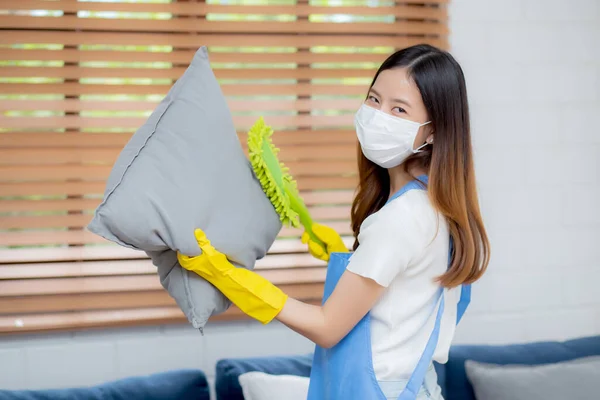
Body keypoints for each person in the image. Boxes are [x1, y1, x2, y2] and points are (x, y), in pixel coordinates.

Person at [177, 44, 490, 400]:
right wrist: (345, 256)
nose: (377, 115)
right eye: (374, 99)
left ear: (433, 131)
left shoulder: (401, 219)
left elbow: (328, 328)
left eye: (398, 109)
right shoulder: (436, 206)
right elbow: (401, 293)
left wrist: (235, 280)